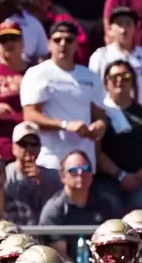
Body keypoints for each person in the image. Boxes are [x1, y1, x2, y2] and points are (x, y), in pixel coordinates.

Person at [20, 20, 108, 171]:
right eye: (57, 39)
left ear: (76, 45)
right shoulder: (37, 73)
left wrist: (100, 126)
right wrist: (66, 125)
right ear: (49, 44)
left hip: (83, 164)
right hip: (50, 162)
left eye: (69, 40)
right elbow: (29, 116)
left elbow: (99, 115)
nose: (63, 44)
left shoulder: (90, 76)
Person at [95, 60, 142, 211]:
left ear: (133, 82)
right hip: (108, 182)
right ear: (106, 83)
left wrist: (139, 176)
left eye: (125, 76)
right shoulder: (99, 115)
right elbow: (97, 152)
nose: (120, 80)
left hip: (141, 182)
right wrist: (121, 176)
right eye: (114, 77)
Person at [38, 151, 123, 256]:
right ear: (62, 176)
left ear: (92, 175)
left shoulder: (107, 204)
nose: (80, 173)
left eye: (85, 169)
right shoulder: (53, 210)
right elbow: (60, 257)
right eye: (73, 170)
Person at [89, 6, 142, 101]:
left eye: (128, 23)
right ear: (110, 28)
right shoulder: (100, 56)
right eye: (119, 24)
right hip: (111, 113)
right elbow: (92, 90)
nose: (123, 30)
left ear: (136, 27)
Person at [4, 122, 62, 216]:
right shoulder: (4, 175)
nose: (29, 148)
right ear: (13, 147)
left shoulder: (54, 176)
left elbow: (60, 206)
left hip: (44, 229)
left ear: (39, 148)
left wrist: (43, 182)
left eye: (34, 144)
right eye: (23, 144)